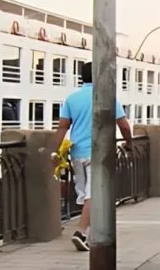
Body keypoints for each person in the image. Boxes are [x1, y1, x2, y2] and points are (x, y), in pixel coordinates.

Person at [52, 62, 134, 252]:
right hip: (98, 153)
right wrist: (129, 143)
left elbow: (62, 127)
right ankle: (81, 232)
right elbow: (124, 126)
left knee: (84, 194)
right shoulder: (108, 98)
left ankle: (88, 230)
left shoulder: (72, 99)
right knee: (93, 194)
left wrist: (54, 152)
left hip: (76, 153)